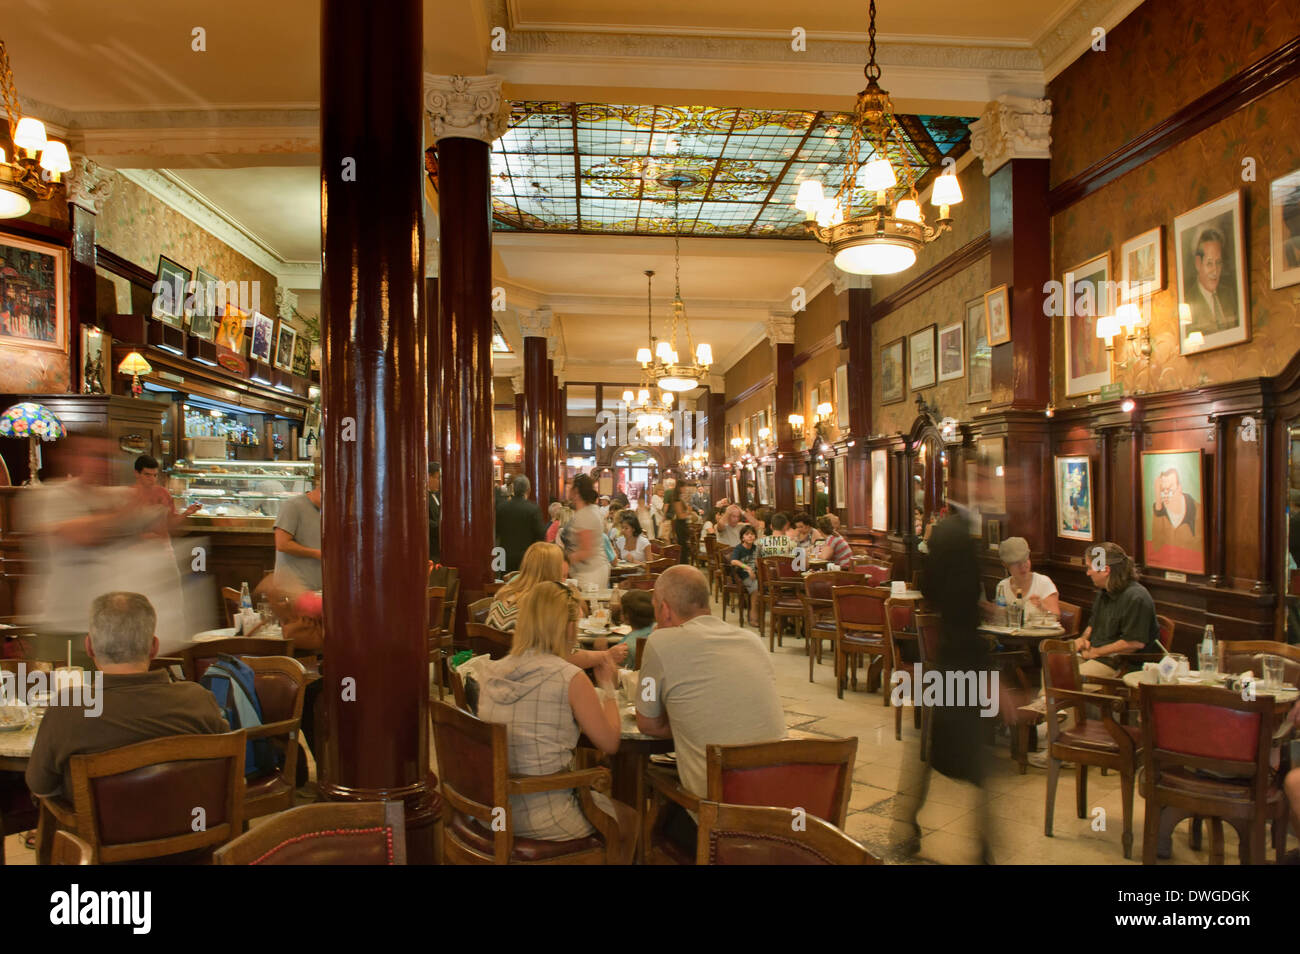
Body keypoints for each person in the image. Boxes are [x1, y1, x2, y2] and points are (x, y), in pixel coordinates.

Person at [476, 583, 638, 862]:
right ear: (568, 628)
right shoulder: (569, 677)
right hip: (544, 817)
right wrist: (608, 688)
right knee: (629, 818)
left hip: (490, 810)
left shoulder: (490, 672)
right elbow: (610, 743)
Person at [635, 566, 785, 852]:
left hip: (718, 825)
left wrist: (686, 719)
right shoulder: (752, 642)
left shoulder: (659, 643)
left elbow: (647, 723)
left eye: (656, 607)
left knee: (652, 798)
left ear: (665, 610)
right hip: (776, 814)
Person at [26, 592, 229, 801]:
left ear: (89, 646)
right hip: (193, 827)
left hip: (95, 834)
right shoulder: (198, 699)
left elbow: (41, 786)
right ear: (154, 647)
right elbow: (227, 770)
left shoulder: (68, 708)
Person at [892, 507, 996, 863]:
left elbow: (944, 598)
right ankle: (980, 846)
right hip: (962, 666)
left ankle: (906, 824)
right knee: (970, 755)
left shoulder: (946, 541)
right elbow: (964, 616)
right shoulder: (959, 541)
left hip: (949, 664)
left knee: (932, 748)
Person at [484, 542, 628, 668]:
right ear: (551, 572)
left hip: (498, 674)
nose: (564, 579)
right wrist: (606, 655)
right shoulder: (543, 605)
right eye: (562, 575)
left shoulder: (504, 593)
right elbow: (568, 657)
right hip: (537, 679)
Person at [1073, 542, 1159, 678]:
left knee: (1068, 677)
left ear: (1106, 570)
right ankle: (1045, 700)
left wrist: (1096, 652)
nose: (1087, 573)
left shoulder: (1136, 598)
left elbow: (1133, 643)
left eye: (1090, 568)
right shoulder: (1104, 591)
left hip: (1120, 664)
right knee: (1053, 665)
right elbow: (1092, 624)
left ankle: (1048, 699)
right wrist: (1083, 639)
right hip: (1095, 654)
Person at [985, 536, 1060, 626]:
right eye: (1017, 563)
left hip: (1038, 638)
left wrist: (1042, 606)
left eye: (1025, 560)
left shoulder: (1043, 582)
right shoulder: (1002, 586)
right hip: (1010, 638)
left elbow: (1057, 616)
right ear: (1005, 564)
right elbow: (1001, 620)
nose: (1023, 566)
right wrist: (994, 612)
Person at [1184, 228, 1238, 336]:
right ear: (1198, 264)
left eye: (1218, 263)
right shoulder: (1188, 301)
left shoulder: (1229, 294)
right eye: (1209, 263)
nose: (1215, 271)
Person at [132, 455, 200, 538]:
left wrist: (186, 513)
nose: (152, 479)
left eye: (155, 475)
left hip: (161, 547)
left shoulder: (163, 493)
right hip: (135, 547)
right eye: (147, 475)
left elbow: (171, 523)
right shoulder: (128, 495)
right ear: (136, 473)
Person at [563, 474, 611, 590]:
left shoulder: (585, 515)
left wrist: (565, 560)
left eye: (571, 485)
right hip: (592, 569)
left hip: (589, 573)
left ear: (576, 491)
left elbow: (587, 551)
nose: (568, 488)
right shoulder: (591, 510)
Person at [275, 476, 322, 591]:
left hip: (318, 588)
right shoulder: (293, 505)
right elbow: (282, 544)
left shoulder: (329, 510)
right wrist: (317, 553)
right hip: (293, 589)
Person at [1148, 468, 1200, 571]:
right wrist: (1158, 503)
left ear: (1179, 488)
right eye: (1162, 490)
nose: (1166, 495)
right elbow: (1157, 546)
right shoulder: (1160, 509)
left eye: (1170, 489)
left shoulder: (1197, 510)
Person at [495, 474, 546, 573]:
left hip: (505, 555)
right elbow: (540, 533)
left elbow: (496, 531)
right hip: (526, 556)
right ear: (528, 490)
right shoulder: (533, 509)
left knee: (507, 584)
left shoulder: (501, 508)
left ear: (513, 489)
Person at [729, 525, 762, 621]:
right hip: (741, 575)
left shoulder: (755, 548)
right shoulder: (739, 549)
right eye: (747, 534)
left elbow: (758, 562)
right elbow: (733, 561)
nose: (750, 536)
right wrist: (748, 568)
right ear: (742, 537)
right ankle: (753, 614)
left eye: (752, 534)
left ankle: (756, 611)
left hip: (753, 575)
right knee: (755, 586)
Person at [614, 588, 656, 661]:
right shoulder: (660, 630)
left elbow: (620, 670)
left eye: (621, 610)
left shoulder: (624, 648)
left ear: (626, 615)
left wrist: (601, 649)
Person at [427, 463, 442, 564]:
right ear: (428, 476)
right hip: (431, 548)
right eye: (437, 478)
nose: (439, 482)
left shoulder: (436, 495)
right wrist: (440, 527)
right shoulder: (423, 497)